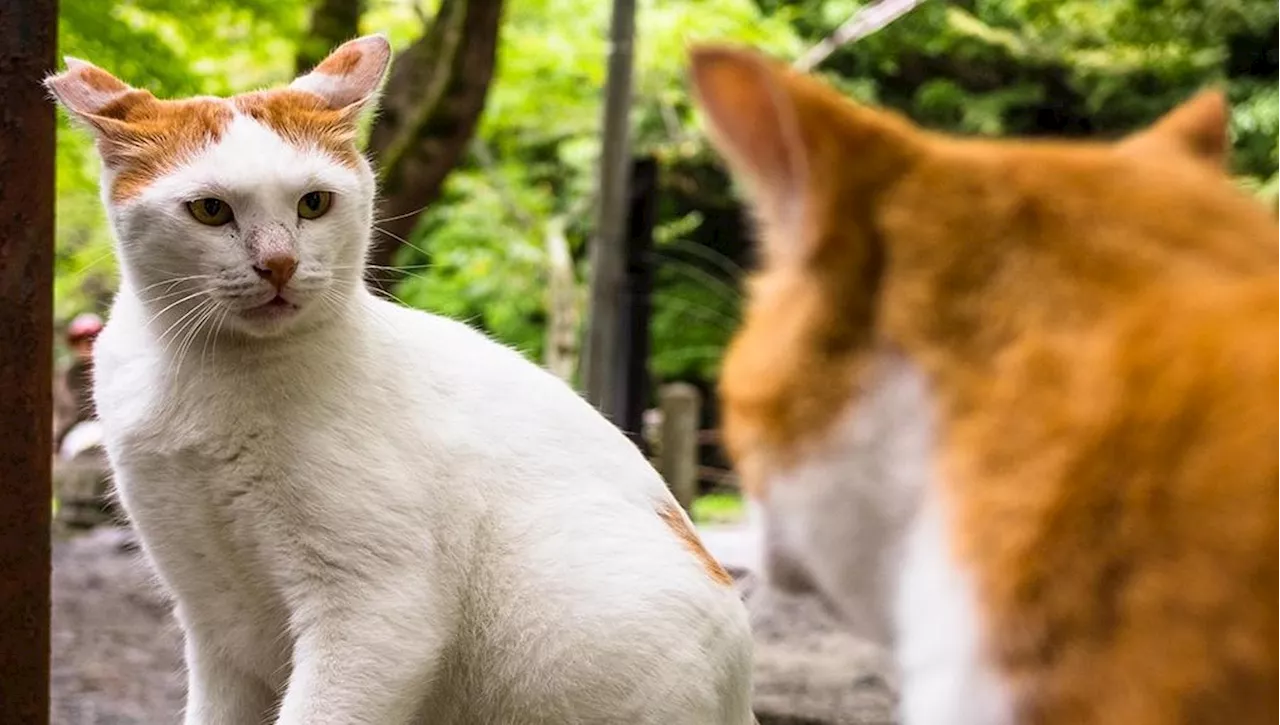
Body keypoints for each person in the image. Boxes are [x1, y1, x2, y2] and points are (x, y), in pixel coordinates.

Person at [53, 312, 103, 453]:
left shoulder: (111, 369)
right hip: (76, 436)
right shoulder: (67, 375)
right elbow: (64, 412)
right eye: (83, 341)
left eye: (92, 340)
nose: (87, 346)